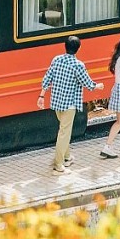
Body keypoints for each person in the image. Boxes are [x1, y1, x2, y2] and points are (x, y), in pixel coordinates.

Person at [37, 36, 104, 175]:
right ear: (78, 48)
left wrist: (41, 96)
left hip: (56, 103)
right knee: (64, 133)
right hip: (69, 105)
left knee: (63, 130)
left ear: (65, 46)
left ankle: (67, 157)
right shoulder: (78, 65)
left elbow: (47, 78)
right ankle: (58, 164)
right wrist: (97, 86)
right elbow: (87, 83)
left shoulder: (56, 59)